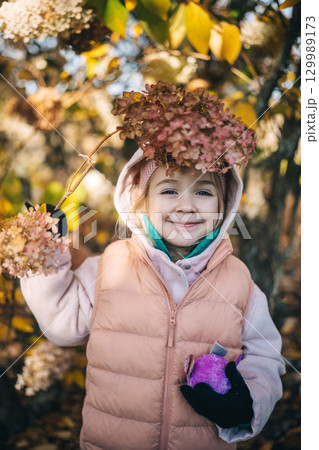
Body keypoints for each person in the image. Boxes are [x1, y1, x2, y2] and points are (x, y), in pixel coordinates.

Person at [20, 138, 285, 449]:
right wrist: (44, 257)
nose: (186, 205)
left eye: (203, 191)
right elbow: (61, 325)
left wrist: (248, 402)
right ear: (141, 201)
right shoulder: (109, 268)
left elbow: (266, 355)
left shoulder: (239, 281)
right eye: (169, 190)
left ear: (223, 205)